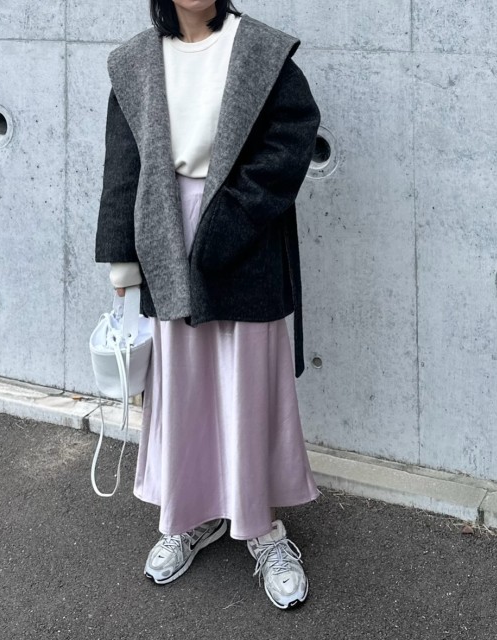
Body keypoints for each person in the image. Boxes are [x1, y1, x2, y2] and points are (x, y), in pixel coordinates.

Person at [95, 0, 321, 609]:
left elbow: (291, 139)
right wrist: (123, 260)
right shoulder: (136, 60)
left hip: (245, 235)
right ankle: (191, 513)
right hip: (167, 235)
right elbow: (125, 162)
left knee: (250, 382)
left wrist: (234, 218)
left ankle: (263, 528)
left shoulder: (260, 48)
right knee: (183, 383)